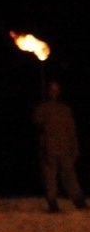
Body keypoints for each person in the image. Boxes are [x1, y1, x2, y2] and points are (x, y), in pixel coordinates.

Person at [32, 80, 86, 213]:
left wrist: (75, 147)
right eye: (51, 90)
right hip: (49, 148)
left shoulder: (65, 109)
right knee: (50, 177)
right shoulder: (42, 108)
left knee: (70, 176)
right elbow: (37, 123)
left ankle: (78, 200)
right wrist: (41, 115)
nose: (54, 92)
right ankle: (52, 203)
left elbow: (72, 130)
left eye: (56, 90)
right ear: (48, 91)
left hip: (65, 148)